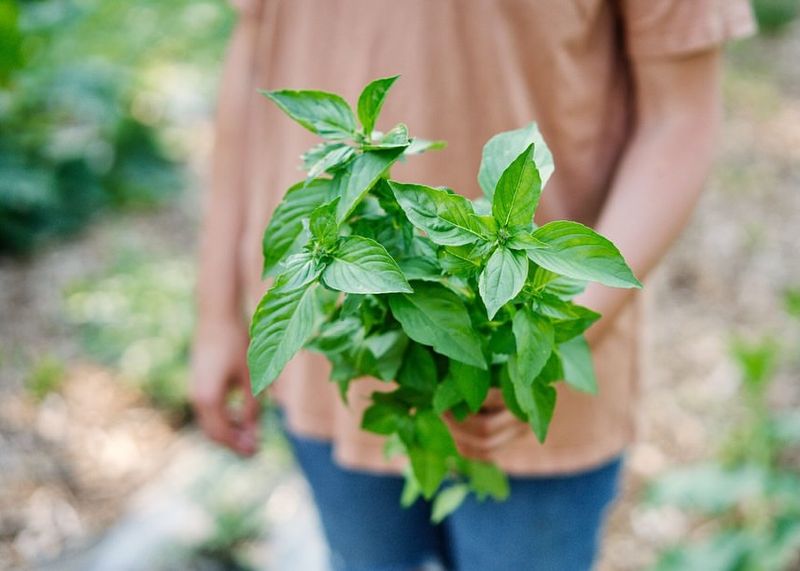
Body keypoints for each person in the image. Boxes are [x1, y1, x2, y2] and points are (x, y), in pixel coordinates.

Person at [190, 1, 755, 569]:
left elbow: (679, 117)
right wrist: (216, 312)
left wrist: (542, 339)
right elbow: (256, 49)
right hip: (332, 335)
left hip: (526, 360)